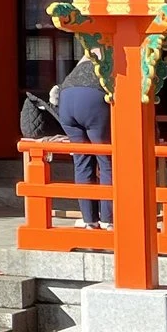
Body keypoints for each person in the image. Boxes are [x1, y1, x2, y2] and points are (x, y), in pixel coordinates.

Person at [54, 60, 112, 230]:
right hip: (94, 95)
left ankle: (89, 220)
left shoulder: (87, 52)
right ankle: (109, 219)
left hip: (66, 97)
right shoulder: (114, 50)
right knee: (106, 161)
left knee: (81, 161)